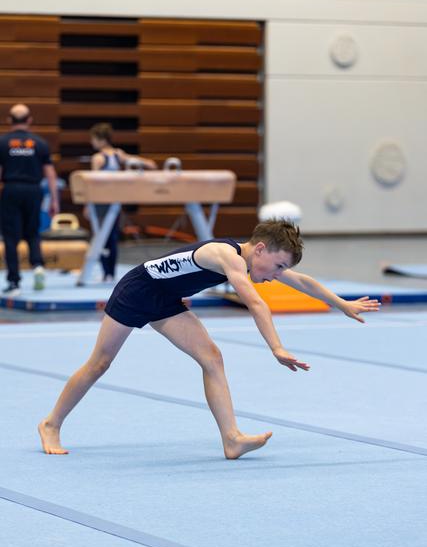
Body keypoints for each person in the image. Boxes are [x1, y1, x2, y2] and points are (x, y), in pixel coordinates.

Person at [38, 219, 380, 458]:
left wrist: (342, 304)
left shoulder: (252, 259)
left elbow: (303, 282)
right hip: (137, 290)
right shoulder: (227, 256)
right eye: (276, 267)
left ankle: (232, 439)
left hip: (166, 301)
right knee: (100, 363)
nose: (277, 276)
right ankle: (51, 423)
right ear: (259, 249)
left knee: (212, 357)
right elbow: (255, 302)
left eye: (280, 270)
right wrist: (275, 347)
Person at [0, 104, 59, 296]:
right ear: (29, 120)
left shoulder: (3, 142)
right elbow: (50, 174)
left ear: (9, 120)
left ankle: (14, 282)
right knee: (33, 231)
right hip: (34, 190)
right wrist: (54, 201)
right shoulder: (39, 143)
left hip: (11, 189)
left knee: (11, 237)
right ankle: (38, 265)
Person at [89, 123, 157, 282]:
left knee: (101, 237)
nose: (91, 143)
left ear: (100, 139)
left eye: (93, 139)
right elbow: (141, 161)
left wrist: (88, 204)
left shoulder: (98, 158)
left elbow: (91, 185)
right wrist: (148, 163)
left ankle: (106, 273)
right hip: (114, 201)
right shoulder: (118, 154)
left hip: (100, 202)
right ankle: (110, 273)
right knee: (111, 236)